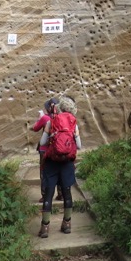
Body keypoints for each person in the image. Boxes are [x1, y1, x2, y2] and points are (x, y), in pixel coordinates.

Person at [37, 96, 81, 238]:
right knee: (67, 193)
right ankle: (66, 224)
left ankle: (45, 228)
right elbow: (79, 146)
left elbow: (43, 141)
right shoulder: (74, 123)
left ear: (59, 107)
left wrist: (52, 138)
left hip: (52, 162)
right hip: (67, 163)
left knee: (49, 194)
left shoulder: (52, 121)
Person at [31, 98, 62, 202]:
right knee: (59, 170)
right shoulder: (62, 117)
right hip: (58, 148)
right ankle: (61, 194)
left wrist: (39, 118)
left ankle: (45, 196)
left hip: (45, 149)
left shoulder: (45, 118)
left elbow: (35, 128)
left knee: (45, 172)